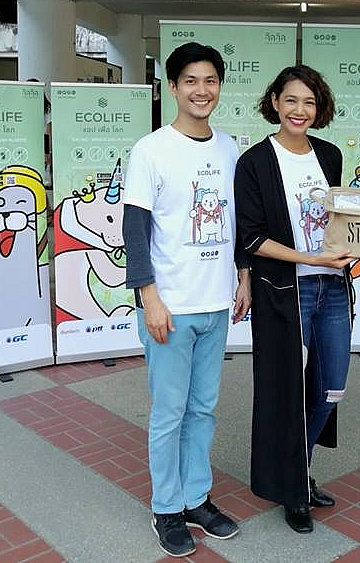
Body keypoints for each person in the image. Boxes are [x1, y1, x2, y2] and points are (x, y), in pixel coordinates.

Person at [123, 42, 251, 558]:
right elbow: (135, 231)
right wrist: (149, 297)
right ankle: (166, 508)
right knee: (169, 412)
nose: (202, 90)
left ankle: (196, 498)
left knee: (203, 409)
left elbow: (239, 223)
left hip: (215, 303)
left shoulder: (230, 149)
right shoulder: (150, 150)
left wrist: (243, 277)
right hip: (169, 307)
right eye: (191, 81)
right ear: (172, 87)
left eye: (211, 81)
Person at [234, 65, 354, 534]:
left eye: (309, 102)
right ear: (275, 103)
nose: (299, 110)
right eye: (291, 100)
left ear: (319, 108)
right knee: (286, 391)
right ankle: (293, 488)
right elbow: (252, 238)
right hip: (286, 291)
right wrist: (310, 258)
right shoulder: (255, 162)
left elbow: (342, 219)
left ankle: (297, 472)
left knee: (330, 386)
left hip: (332, 288)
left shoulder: (330, 155)